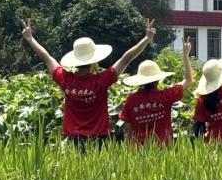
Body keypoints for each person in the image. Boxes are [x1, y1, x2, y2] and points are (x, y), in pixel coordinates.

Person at [21, 17, 155, 148]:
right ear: (95, 61)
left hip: (73, 140)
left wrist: (30, 39)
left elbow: (46, 58)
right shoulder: (102, 80)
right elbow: (126, 59)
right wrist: (146, 39)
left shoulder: (65, 79)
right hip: (99, 140)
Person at [117, 37, 196, 146]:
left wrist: (130, 151)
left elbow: (127, 129)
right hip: (163, 150)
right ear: (157, 81)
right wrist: (185, 55)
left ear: (140, 81)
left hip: (139, 151)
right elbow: (188, 80)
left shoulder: (131, 100)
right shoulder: (166, 96)